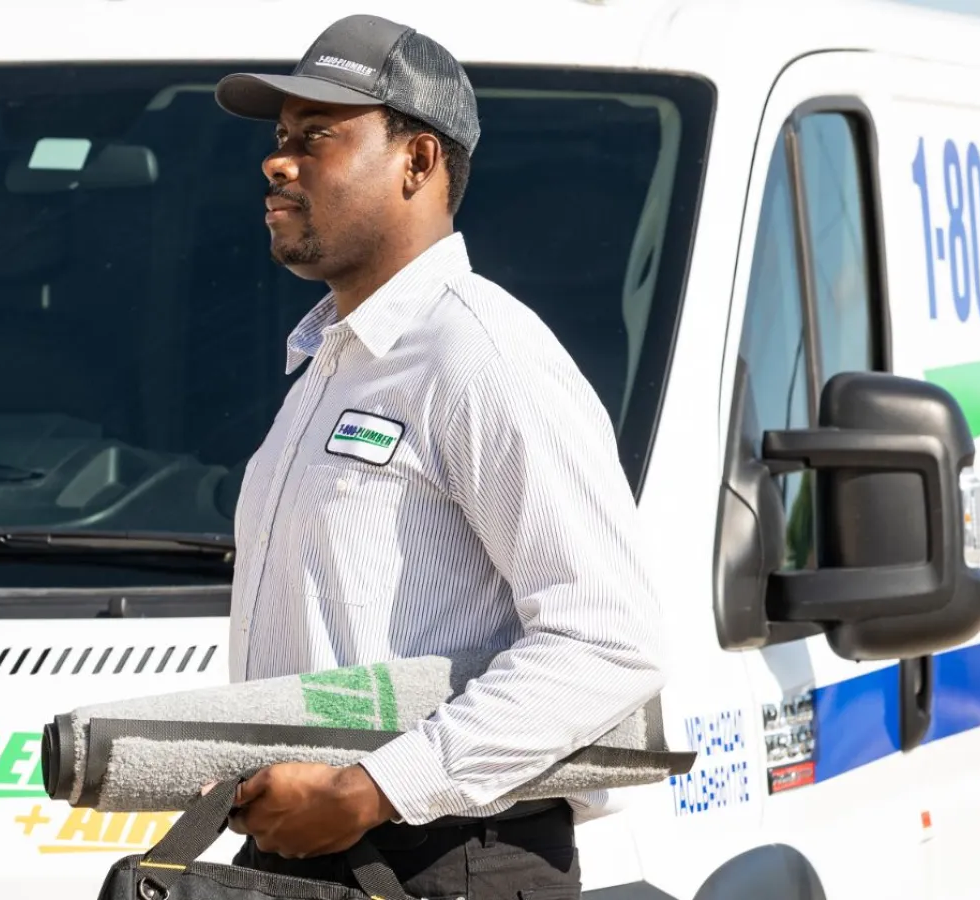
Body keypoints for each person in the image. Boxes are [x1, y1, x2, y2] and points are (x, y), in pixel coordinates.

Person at [210, 13, 669, 898]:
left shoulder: (477, 353)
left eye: (318, 137)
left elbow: (610, 640)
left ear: (418, 161)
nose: (277, 161)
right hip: (323, 853)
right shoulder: (330, 365)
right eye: (279, 139)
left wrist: (377, 786)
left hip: (446, 861)